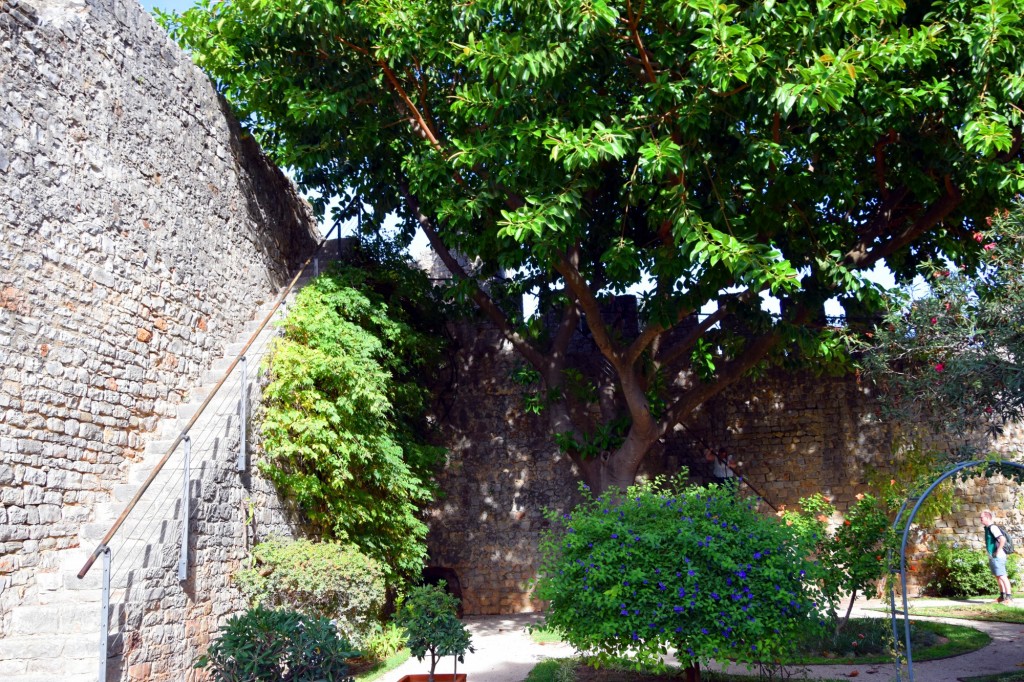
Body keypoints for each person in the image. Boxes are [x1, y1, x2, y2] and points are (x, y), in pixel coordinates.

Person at [981, 510, 1014, 604]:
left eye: (982, 518)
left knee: (1003, 576)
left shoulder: (993, 528)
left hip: (998, 556)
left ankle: (1009, 598)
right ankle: (1002, 596)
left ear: (987, 517)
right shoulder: (987, 528)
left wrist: (997, 551)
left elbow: (1002, 539)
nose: (980, 519)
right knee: (998, 576)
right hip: (993, 557)